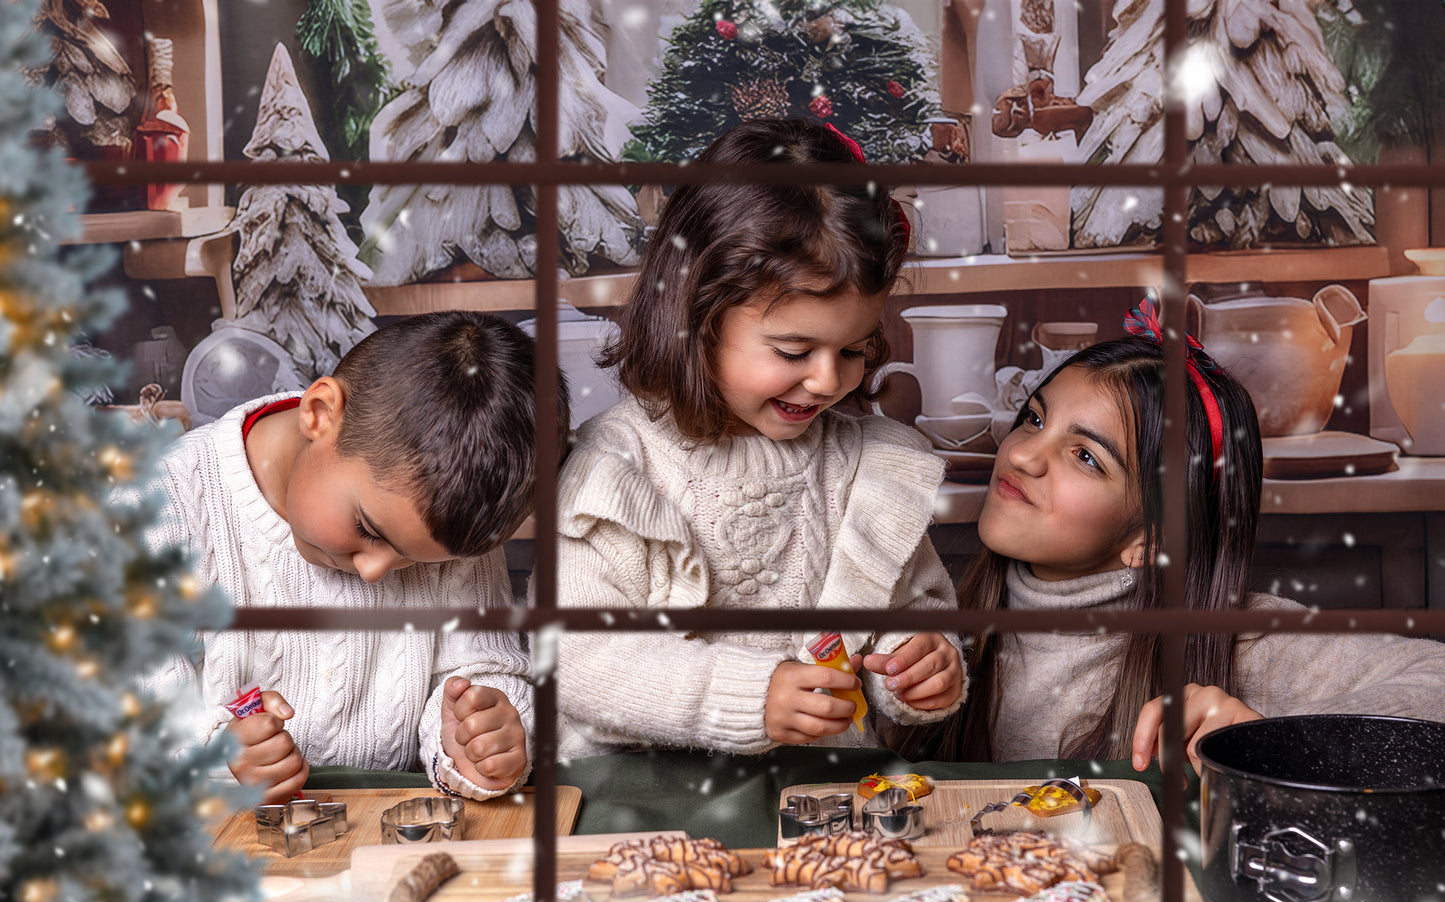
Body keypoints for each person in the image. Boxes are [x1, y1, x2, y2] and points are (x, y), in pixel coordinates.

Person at [552, 117, 965, 759]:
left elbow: (910, 606)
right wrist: (750, 696)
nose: (828, 380)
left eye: (855, 349)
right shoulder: (618, 469)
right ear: (699, 316)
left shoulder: (866, 467)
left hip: (825, 800)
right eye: (793, 350)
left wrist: (918, 663)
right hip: (646, 808)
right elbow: (580, 659)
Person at [891, 300, 1445, 771]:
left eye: (1086, 456)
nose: (1021, 454)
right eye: (1034, 419)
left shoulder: (1239, 641)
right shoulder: (937, 617)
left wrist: (1267, 744)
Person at [143, 311, 566, 804]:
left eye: (417, 562)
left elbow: (482, 671)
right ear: (319, 413)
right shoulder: (155, 510)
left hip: (391, 829)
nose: (373, 571)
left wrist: (478, 741)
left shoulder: (450, 519)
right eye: (367, 529)